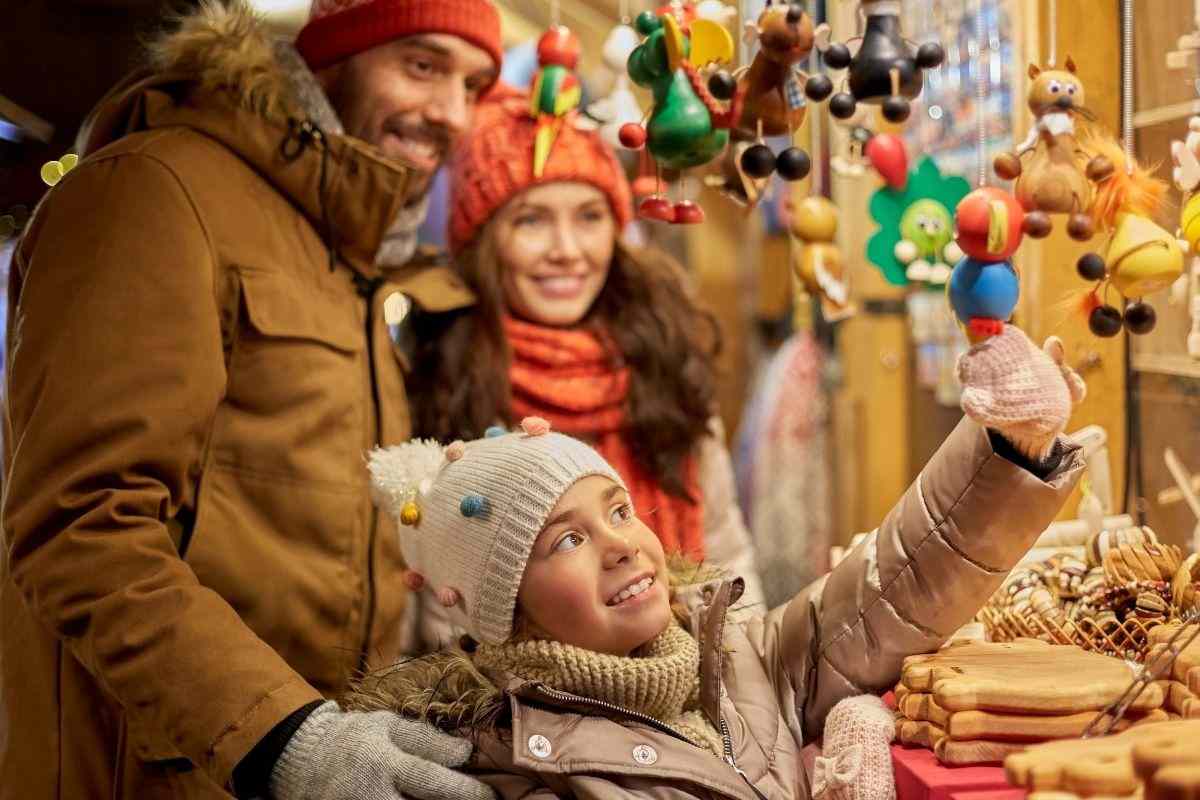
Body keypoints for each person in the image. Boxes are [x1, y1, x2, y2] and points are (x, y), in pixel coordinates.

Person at [1, 0, 504, 797]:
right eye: (421, 65)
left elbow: (299, 527)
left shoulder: (341, 253)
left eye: (473, 83)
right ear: (333, 58)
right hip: (161, 772)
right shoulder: (155, 189)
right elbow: (81, 521)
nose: (452, 112)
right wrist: (283, 736)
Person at [348, 325, 1085, 798]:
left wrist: (1007, 449)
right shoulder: (529, 771)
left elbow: (892, 587)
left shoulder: (736, 655)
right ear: (505, 611)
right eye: (565, 541)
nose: (619, 545)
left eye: (617, 510)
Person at [405, 87, 765, 648]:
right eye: (531, 221)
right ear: (482, 240)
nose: (568, 250)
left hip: (694, 681)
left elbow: (725, 552)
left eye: (591, 216)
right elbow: (443, 621)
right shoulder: (444, 379)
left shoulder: (660, 353)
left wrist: (743, 687)